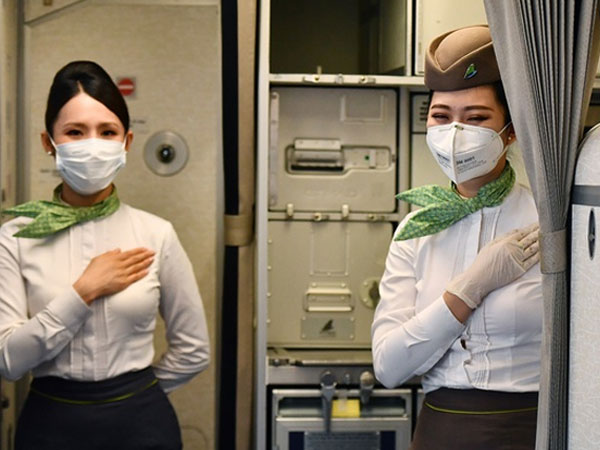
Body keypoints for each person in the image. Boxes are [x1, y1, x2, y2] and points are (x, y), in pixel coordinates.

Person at [0, 61, 210, 450]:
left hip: (142, 426)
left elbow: (194, 350)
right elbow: (8, 361)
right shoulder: (16, 237)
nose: (92, 144)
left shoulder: (156, 234)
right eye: (75, 132)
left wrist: (136, 395)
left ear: (126, 142)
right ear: (48, 142)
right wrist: (82, 292)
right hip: (49, 425)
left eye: (107, 131)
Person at [371, 25, 542, 450]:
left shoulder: (548, 222)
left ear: (511, 129)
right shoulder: (416, 231)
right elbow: (389, 367)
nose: (455, 133)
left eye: (477, 118)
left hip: (532, 430)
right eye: (441, 117)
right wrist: (468, 289)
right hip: (439, 431)